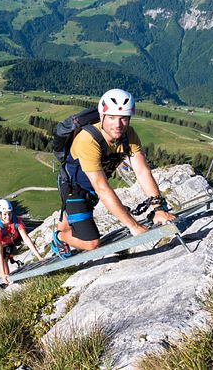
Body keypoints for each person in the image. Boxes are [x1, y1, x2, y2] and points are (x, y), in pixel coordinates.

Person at [51, 88, 176, 257]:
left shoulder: (128, 135)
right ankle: (59, 237)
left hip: (92, 187)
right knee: (92, 243)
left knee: (74, 219)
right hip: (75, 189)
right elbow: (101, 187)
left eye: (123, 118)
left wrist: (159, 208)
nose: (117, 125)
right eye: (111, 118)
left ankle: (65, 227)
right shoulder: (88, 140)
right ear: (101, 116)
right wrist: (134, 226)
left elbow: (142, 171)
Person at [0, 199, 43, 285]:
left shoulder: (16, 220)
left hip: (8, 243)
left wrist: (39, 256)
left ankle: (1, 279)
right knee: (5, 272)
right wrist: (3, 274)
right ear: (0, 214)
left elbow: (26, 238)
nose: (8, 217)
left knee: (6, 265)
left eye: (9, 213)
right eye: (5, 214)